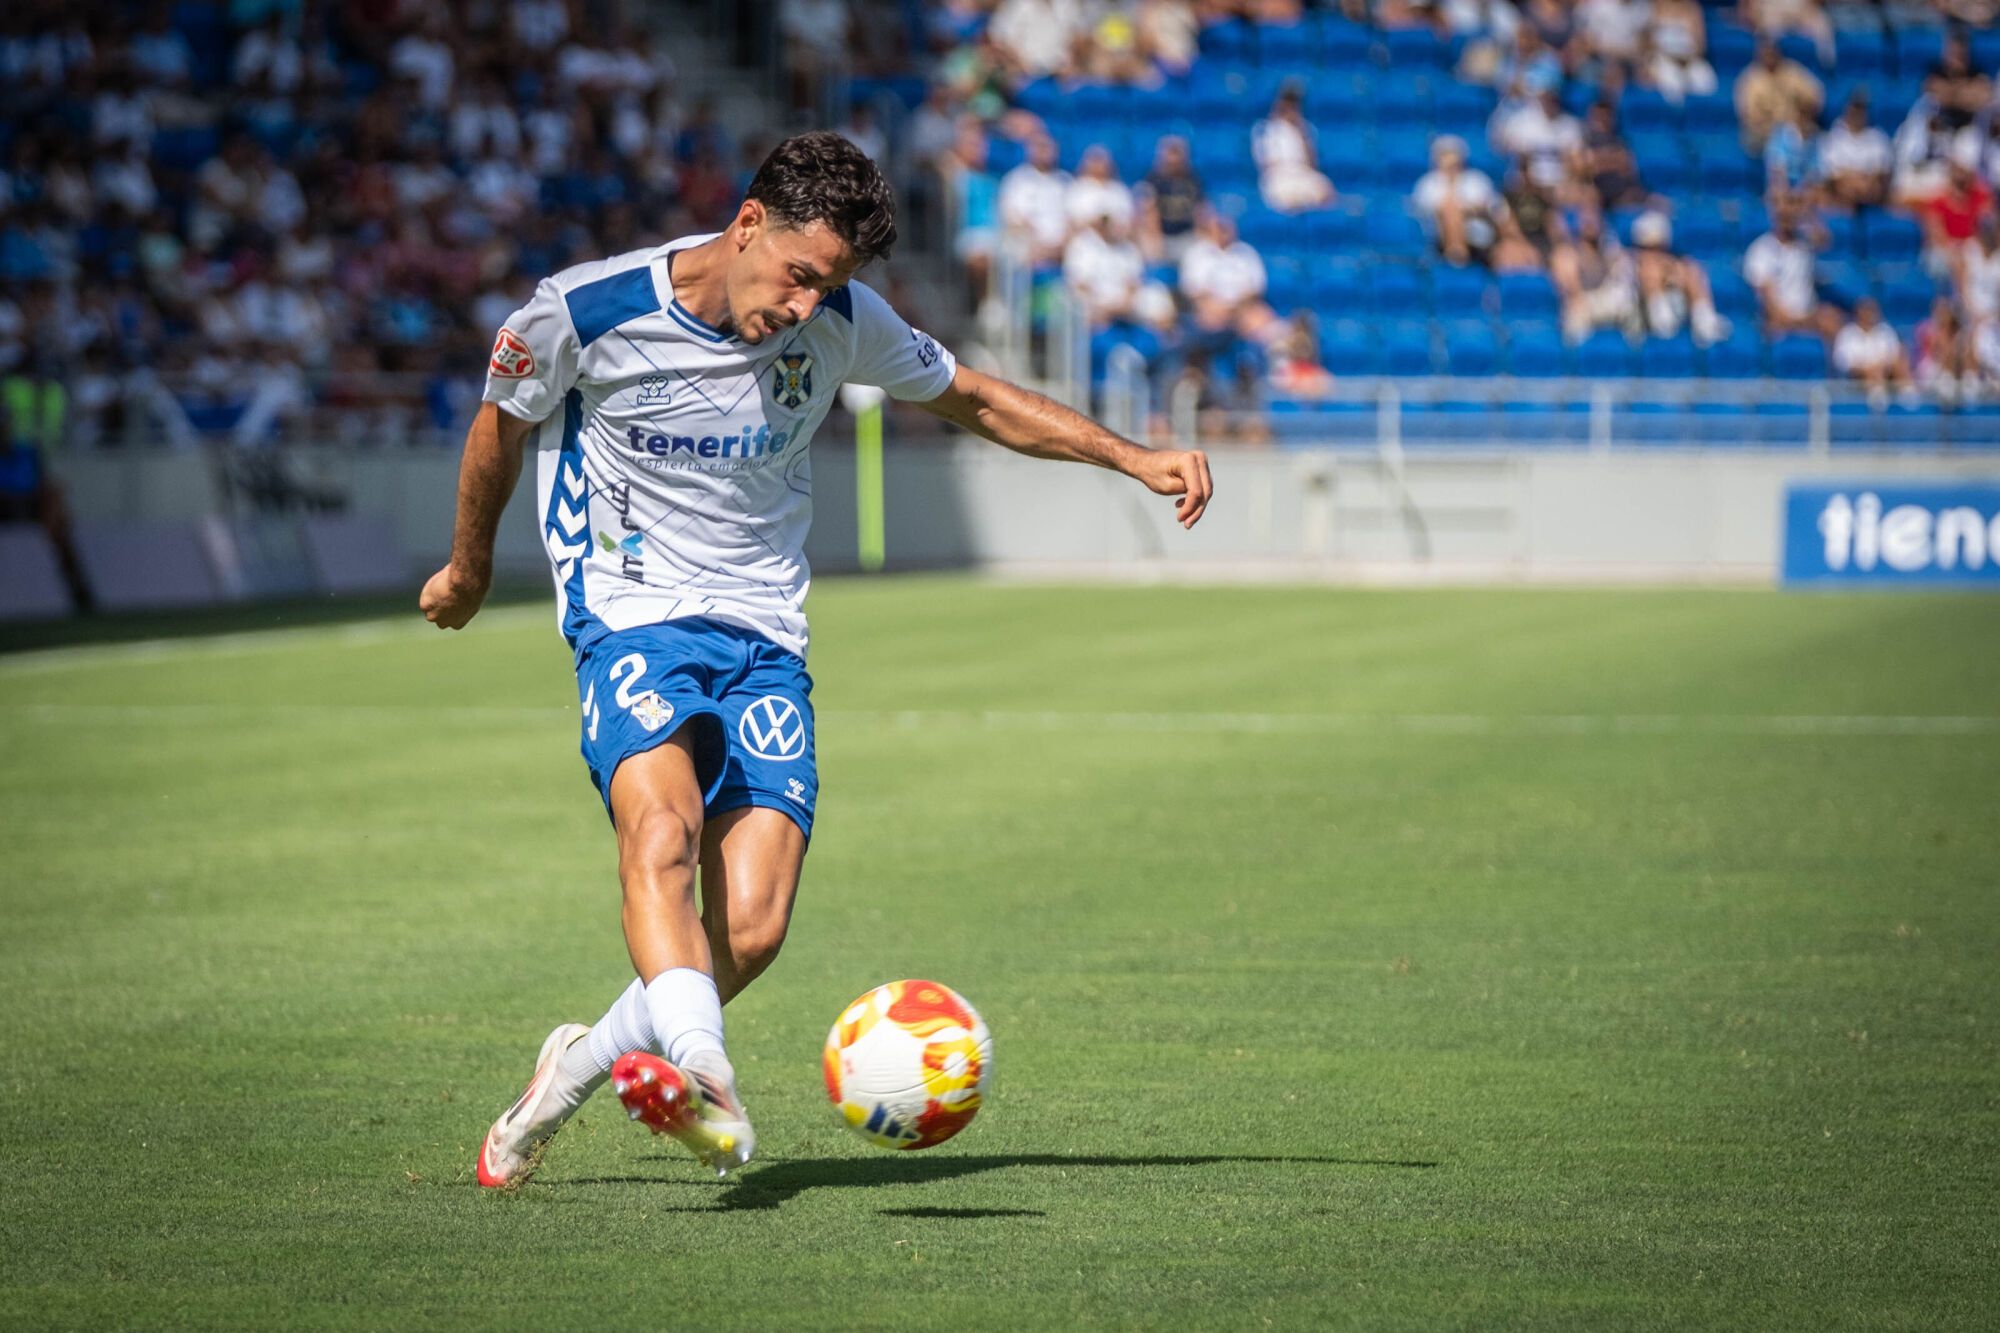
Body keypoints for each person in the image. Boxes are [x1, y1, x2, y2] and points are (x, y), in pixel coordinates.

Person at [422, 133, 1212, 1187]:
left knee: (750, 930)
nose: (804, 306)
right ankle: (706, 1072)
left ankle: (573, 1069)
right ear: (747, 223)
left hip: (765, 633)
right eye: (798, 275)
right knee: (661, 830)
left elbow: (974, 398)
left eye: (826, 286)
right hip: (631, 612)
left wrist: (1131, 456)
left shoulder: (842, 319)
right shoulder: (583, 310)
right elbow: (500, 425)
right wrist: (469, 566)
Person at [1630, 211, 1730, 345]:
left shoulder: (1678, 266)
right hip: (1641, 323)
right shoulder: (1629, 265)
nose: (1654, 255)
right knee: (1651, 273)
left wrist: (1673, 277)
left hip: (1676, 315)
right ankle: (1662, 318)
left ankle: (1704, 320)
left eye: (1659, 249)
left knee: (1691, 270)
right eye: (1648, 249)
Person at [1743, 198, 1838, 338]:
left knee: (1832, 319)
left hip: (1808, 314)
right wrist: (1794, 320)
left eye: (1791, 217)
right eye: (1783, 217)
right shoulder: (1761, 249)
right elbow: (1768, 300)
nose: (1787, 221)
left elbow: (1825, 240)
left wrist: (1808, 213)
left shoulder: (1804, 243)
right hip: (1778, 319)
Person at [1413, 135, 1502, 266]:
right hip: (1438, 237)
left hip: (1478, 234)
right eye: (1444, 154)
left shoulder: (1476, 179)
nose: (1450, 159)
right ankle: (1457, 255)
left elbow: (1495, 208)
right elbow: (1427, 211)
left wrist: (1467, 210)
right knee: (1450, 211)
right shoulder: (1428, 183)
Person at [1251, 83, 1336, 213]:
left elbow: (1313, 164)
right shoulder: (1264, 129)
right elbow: (1263, 165)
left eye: (1294, 104)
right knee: (1287, 200)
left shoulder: (1305, 129)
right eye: (1287, 102)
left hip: (1302, 174)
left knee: (1325, 190)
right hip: (1277, 177)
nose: (1290, 108)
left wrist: (1301, 131)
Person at [1735, 39, 1822, 156]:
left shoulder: (1792, 72)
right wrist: (1775, 126)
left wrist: (1800, 111)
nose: (1769, 57)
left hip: (1795, 126)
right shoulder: (1750, 78)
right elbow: (1748, 114)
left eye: (1772, 53)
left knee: (1816, 138)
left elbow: (1815, 97)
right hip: (1764, 132)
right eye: (1765, 54)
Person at [1832, 298, 1914, 407]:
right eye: (1866, 311)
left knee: (1899, 364)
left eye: (1872, 311)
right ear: (1858, 313)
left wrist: (1881, 366)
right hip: (1857, 376)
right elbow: (1842, 362)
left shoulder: (1885, 330)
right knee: (1873, 371)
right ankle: (1878, 400)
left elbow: (1895, 356)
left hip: (1885, 373)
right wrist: (1865, 368)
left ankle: (1909, 399)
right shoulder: (1847, 333)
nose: (1869, 315)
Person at [1817, 91, 1891, 211]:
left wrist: (1864, 183)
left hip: (1870, 191)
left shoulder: (1878, 137)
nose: (1858, 113)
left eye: (1862, 109)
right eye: (1855, 108)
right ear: (1847, 109)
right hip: (1842, 191)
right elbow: (1831, 173)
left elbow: (1881, 171)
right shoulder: (1833, 136)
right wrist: (1854, 181)